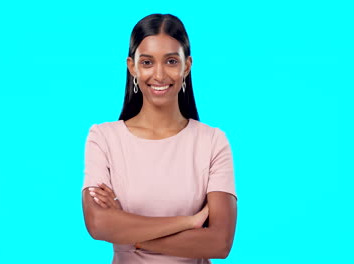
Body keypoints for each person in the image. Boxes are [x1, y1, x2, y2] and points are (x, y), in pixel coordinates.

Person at [81, 13, 237, 263]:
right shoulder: (104, 138)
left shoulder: (212, 142)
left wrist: (131, 234)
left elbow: (219, 243)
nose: (160, 74)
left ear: (187, 66)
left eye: (172, 61)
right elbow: (98, 223)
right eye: (147, 62)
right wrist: (188, 222)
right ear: (132, 66)